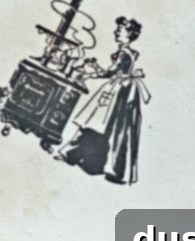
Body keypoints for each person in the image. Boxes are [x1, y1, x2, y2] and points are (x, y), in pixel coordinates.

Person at [55, 17, 150, 184]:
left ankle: (73, 154)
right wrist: (95, 69)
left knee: (96, 123)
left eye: (120, 31)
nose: (116, 32)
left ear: (129, 35)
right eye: (117, 30)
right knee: (104, 126)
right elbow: (113, 71)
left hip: (118, 90)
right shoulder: (128, 52)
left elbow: (110, 72)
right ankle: (78, 156)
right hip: (119, 88)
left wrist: (89, 74)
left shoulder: (124, 53)